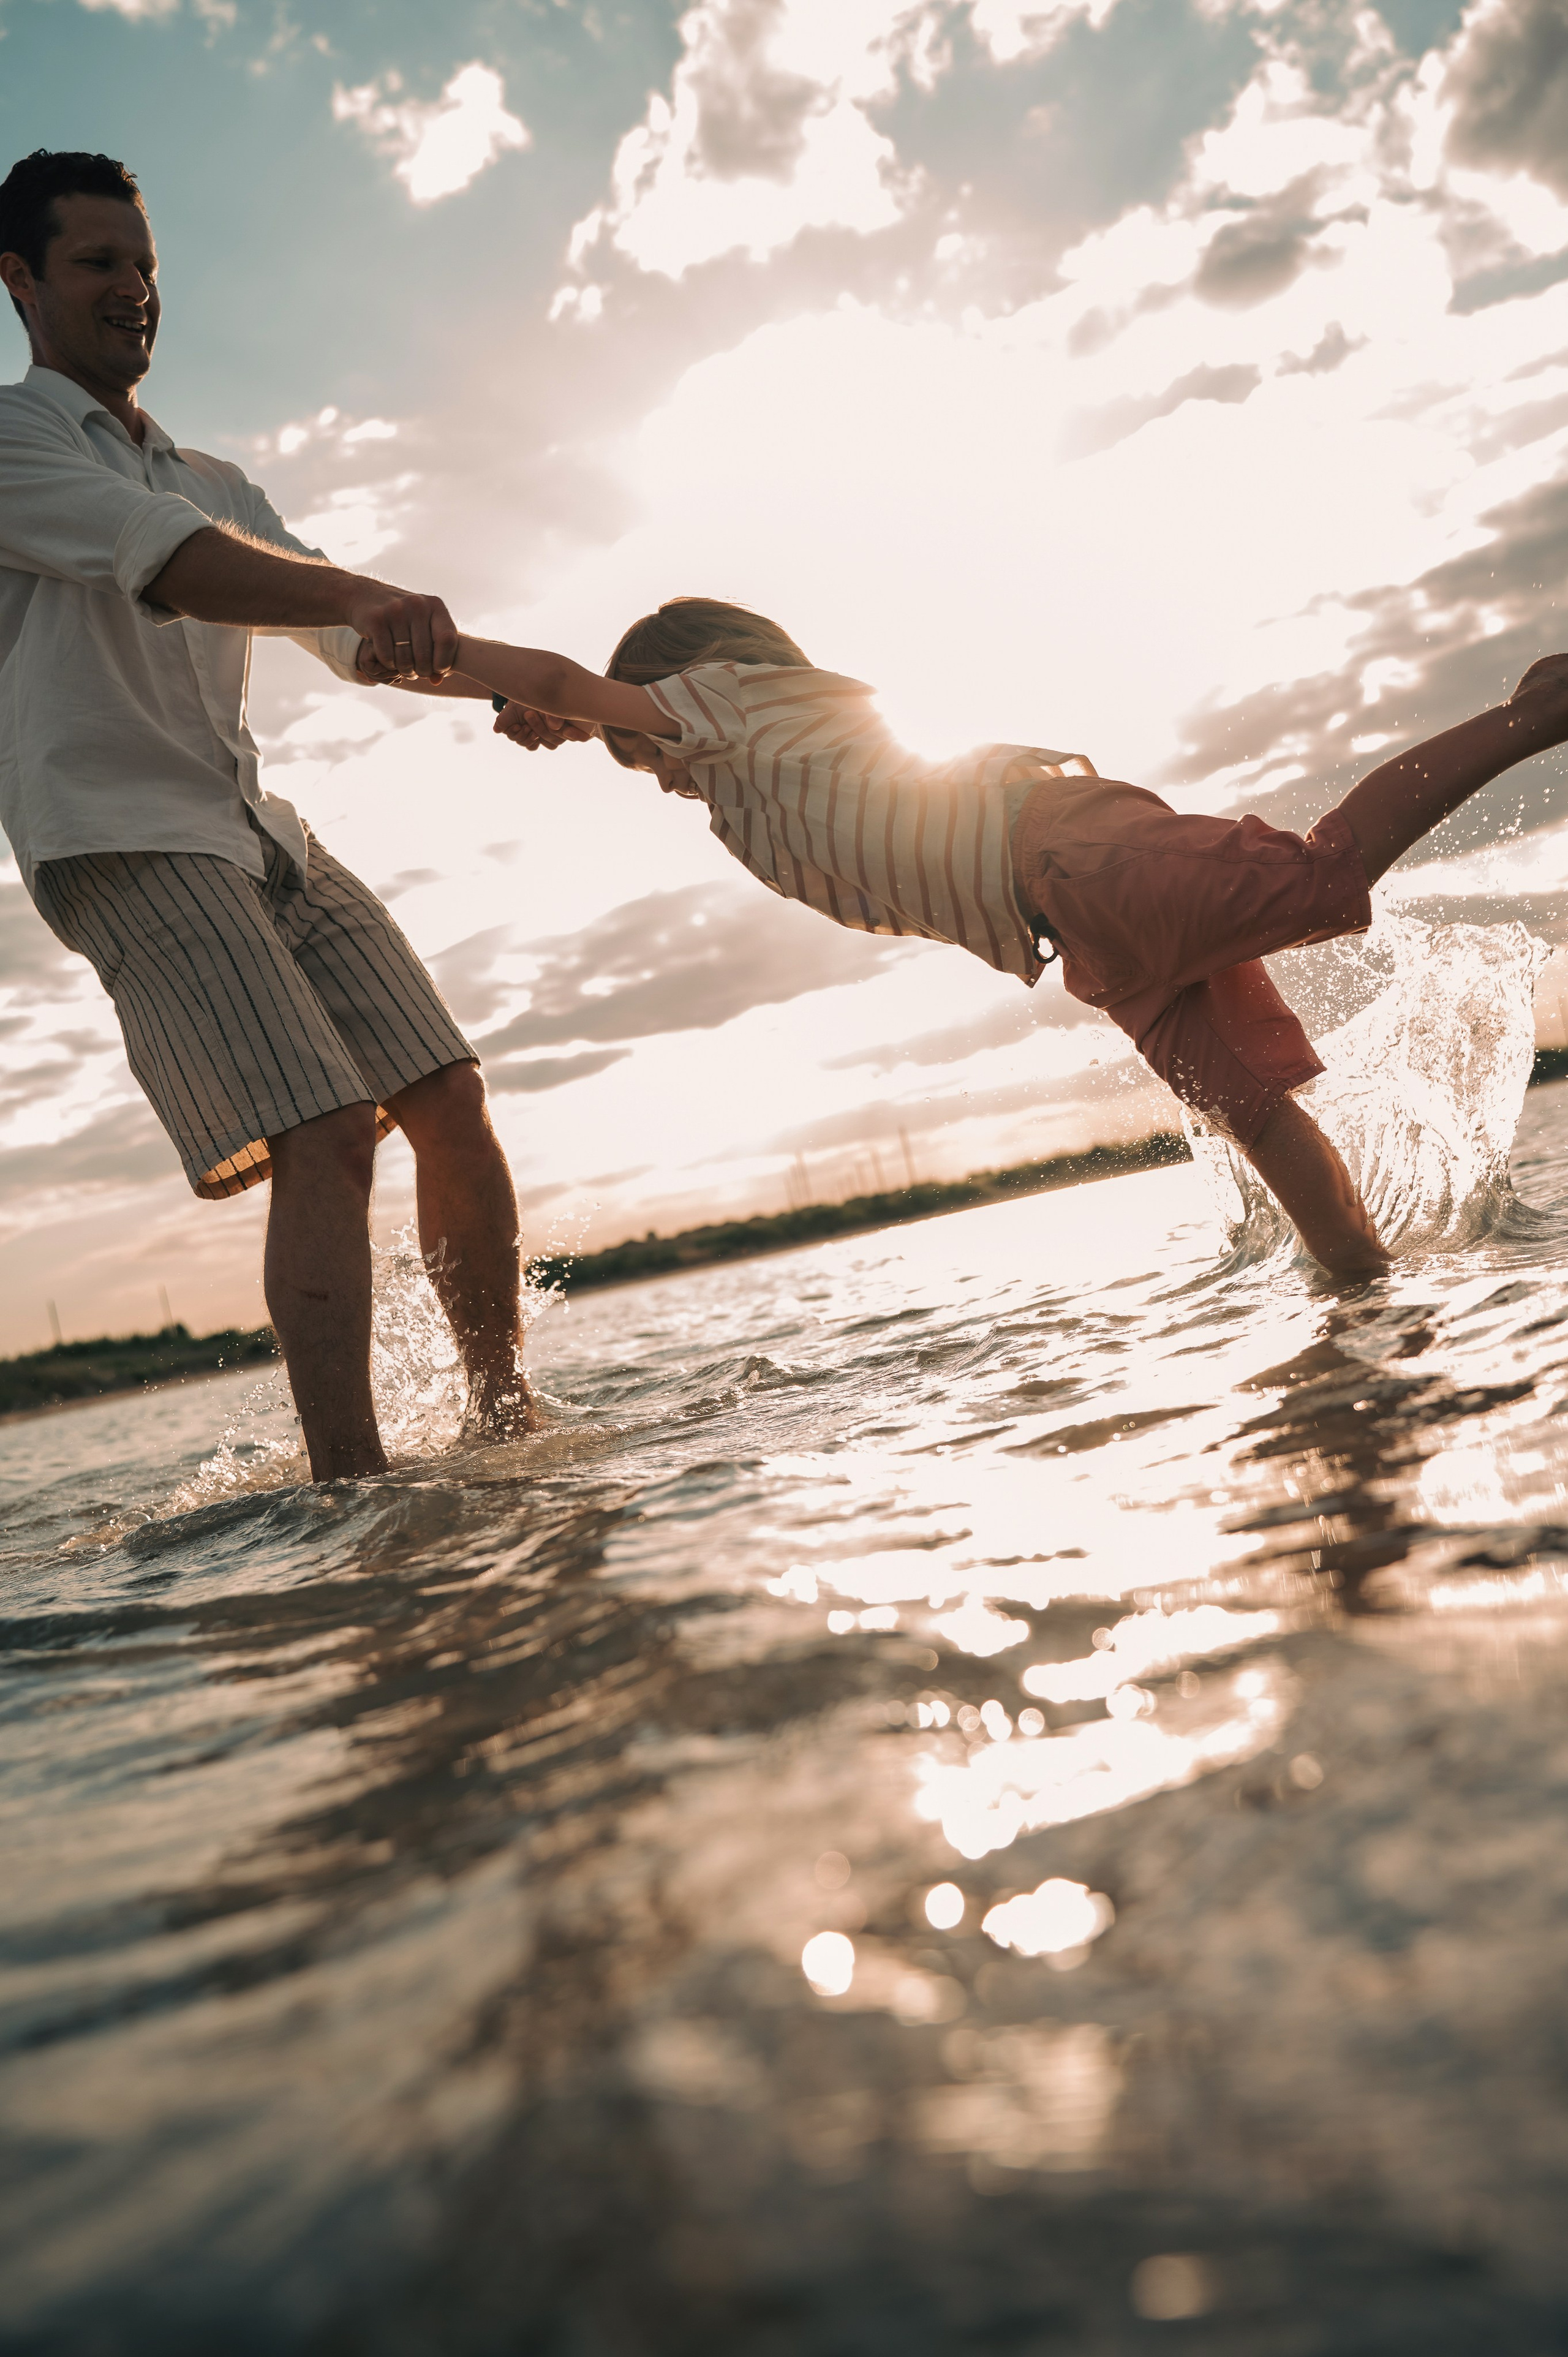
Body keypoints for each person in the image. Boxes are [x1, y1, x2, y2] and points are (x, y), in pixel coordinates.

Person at [394, 595, 1568, 1282]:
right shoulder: (738, 773)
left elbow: (562, 678)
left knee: (1319, 880)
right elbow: (570, 700)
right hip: (1078, 927)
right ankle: (1363, 1292)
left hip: (1066, 849)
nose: (643, 768)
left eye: (632, 736)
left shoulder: (733, 708)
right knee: (1253, 1115)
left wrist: (499, 676)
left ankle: (1535, 712)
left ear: (690, 683)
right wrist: (543, 710)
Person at [0, 149, 533, 1479]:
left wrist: (529, 688)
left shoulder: (216, 478)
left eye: (147, 266)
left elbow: (359, 643)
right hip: (119, 835)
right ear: (19, 282)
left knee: (448, 1097)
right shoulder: (12, 445)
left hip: (255, 831)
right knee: (322, 1125)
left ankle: (506, 1425)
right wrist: (355, 596)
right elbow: (166, 565)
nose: (134, 290)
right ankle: (353, 1488)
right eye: (98, 264)